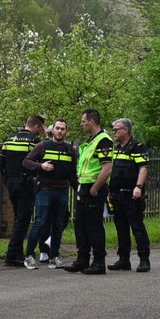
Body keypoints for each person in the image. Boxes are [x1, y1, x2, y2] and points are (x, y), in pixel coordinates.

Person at [22, 118, 76, 267]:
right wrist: (41, 166)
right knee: (40, 222)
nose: (59, 131)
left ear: (66, 131)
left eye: (62, 129)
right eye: (57, 128)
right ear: (53, 130)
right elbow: (26, 162)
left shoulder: (70, 150)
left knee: (58, 224)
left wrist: (78, 190)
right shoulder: (42, 146)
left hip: (62, 190)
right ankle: (29, 255)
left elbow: (73, 173)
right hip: (45, 189)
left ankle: (54, 256)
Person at [66, 107, 114, 274]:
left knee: (94, 226)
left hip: (94, 188)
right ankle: (82, 259)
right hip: (83, 187)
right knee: (80, 224)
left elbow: (107, 168)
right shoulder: (89, 141)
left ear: (92, 122)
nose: (81, 124)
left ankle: (99, 262)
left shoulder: (103, 140)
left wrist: (95, 188)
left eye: (83, 121)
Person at [107, 118, 152, 272]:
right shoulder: (117, 148)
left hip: (132, 195)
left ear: (126, 130)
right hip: (117, 194)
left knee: (137, 227)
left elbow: (143, 168)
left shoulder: (137, 147)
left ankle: (144, 259)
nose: (114, 132)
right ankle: (123, 259)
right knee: (121, 228)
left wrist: (138, 186)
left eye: (116, 129)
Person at [0, 114, 44, 267]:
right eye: (41, 129)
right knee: (23, 220)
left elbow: (1, 163)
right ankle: (12, 255)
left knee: (18, 218)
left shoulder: (9, 140)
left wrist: (7, 180)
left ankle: (17, 252)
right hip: (26, 183)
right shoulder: (34, 142)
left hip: (11, 182)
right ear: (37, 127)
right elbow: (38, 163)